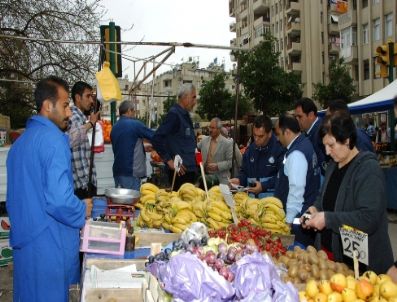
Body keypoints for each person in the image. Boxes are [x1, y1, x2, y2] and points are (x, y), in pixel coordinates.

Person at [6, 76, 92, 302]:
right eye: (65, 106)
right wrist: (82, 209)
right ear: (47, 106)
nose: (68, 113)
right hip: (51, 246)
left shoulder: (20, 143)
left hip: (26, 243)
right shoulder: (54, 140)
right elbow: (60, 200)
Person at [302, 113, 393, 273]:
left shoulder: (368, 169)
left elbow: (368, 218)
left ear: (347, 140)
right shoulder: (332, 166)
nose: (327, 152)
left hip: (362, 267)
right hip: (332, 260)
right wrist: (314, 210)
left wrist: (327, 219)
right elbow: (322, 198)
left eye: (331, 145)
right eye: (324, 146)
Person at [274, 113, 320, 246]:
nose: (278, 139)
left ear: (287, 132)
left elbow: (296, 191)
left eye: (279, 134)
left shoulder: (296, 154)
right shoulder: (305, 143)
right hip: (306, 215)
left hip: (298, 222)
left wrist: (288, 223)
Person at [152, 83, 198, 190]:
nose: (195, 101)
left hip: (190, 170)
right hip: (180, 174)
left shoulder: (185, 115)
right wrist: (169, 161)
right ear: (185, 97)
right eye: (193, 97)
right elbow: (157, 139)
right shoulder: (174, 115)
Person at [229, 115, 284, 198]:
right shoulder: (250, 150)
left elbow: (284, 177)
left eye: (261, 136)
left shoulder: (280, 149)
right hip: (252, 202)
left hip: (272, 202)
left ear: (269, 134)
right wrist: (239, 180)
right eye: (254, 135)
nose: (256, 139)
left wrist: (263, 186)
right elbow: (244, 171)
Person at [111, 101, 155, 190]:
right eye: (133, 111)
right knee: (132, 202)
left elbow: (124, 145)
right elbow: (155, 137)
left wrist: (142, 147)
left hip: (118, 171)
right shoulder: (135, 124)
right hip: (131, 173)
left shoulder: (114, 127)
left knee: (121, 201)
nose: (134, 114)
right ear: (129, 111)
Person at [67, 81, 100, 199]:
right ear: (77, 98)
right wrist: (91, 123)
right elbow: (71, 139)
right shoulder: (73, 116)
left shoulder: (79, 117)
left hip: (84, 183)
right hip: (82, 185)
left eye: (92, 96)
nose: (91, 100)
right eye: (88, 96)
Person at [294, 97, 326, 175]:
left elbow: (323, 166)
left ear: (311, 115)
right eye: (296, 117)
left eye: (300, 116)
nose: (297, 120)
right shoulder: (309, 132)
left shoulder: (322, 131)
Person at [197, 118, 233, 185]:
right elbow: (195, 149)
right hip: (206, 179)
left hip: (221, 180)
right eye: (210, 127)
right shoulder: (204, 140)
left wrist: (217, 166)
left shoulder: (227, 143)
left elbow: (230, 162)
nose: (210, 130)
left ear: (219, 129)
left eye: (213, 128)